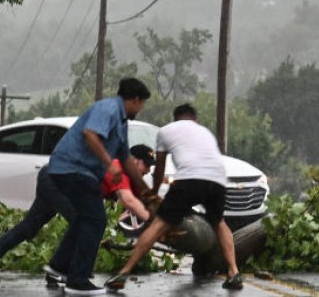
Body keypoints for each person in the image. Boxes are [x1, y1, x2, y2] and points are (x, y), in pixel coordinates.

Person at [0, 77, 151, 295]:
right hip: (69, 171)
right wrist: (109, 164)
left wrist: (147, 192)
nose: (141, 109)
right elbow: (90, 134)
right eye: (142, 104)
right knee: (89, 219)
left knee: (33, 226)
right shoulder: (108, 109)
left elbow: (127, 161)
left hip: (60, 175)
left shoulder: (121, 124)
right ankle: (73, 276)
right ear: (135, 100)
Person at [104, 103, 243, 292]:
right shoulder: (205, 132)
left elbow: (159, 170)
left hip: (189, 179)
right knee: (220, 222)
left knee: (157, 226)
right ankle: (234, 272)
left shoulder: (166, 131)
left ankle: (123, 273)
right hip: (217, 180)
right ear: (194, 119)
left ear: (176, 118)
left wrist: (153, 192)